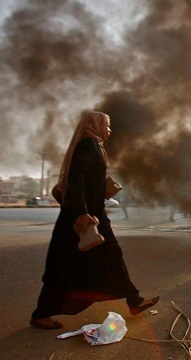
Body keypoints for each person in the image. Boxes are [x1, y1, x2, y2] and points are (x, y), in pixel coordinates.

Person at [30, 111, 159, 330]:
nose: (109, 130)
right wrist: (81, 213)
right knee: (63, 267)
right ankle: (41, 315)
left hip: (94, 214)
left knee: (111, 256)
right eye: (107, 125)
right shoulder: (87, 145)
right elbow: (76, 182)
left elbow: (88, 181)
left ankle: (133, 299)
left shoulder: (96, 146)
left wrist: (103, 189)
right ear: (95, 124)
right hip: (81, 219)